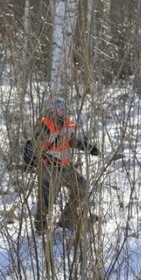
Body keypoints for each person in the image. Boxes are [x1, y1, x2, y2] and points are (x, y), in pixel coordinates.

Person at [32, 97, 99, 233]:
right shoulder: (45, 125)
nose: (63, 110)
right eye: (60, 107)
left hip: (65, 167)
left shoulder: (68, 124)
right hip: (48, 168)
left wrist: (89, 147)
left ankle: (67, 219)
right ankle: (41, 228)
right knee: (47, 198)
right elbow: (35, 148)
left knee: (81, 186)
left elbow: (72, 142)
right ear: (53, 109)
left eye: (64, 107)